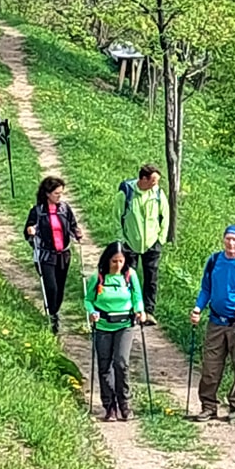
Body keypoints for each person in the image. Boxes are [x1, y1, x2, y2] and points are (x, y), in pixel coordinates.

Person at [190, 224, 235, 420]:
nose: (231, 243)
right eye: (228, 239)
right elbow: (206, 288)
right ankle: (208, 406)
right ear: (223, 240)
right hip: (216, 321)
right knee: (210, 366)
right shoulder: (214, 261)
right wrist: (198, 308)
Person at [84, 241, 143, 421]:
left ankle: (124, 403)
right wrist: (92, 312)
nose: (118, 265)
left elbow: (137, 297)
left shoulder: (130, 275)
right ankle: (109, 406)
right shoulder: (98, 277)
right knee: (104, 365)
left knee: (121, 362)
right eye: (114, 261)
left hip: (125, 324)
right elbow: (88, 300)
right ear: (107, 260)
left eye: (121, 261)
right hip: (103, 325)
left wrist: (139, 310)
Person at [24, 176, 78, 333]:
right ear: (47, 193)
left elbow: (73, 225)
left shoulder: (65, 209)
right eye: (56, 193)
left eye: (61, 193)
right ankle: (52, 316)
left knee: (60, 288)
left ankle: (54, 312)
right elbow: (28, 229)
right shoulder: (38, 211)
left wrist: (77, 232)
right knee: (51, 287)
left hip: (63, 255)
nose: (59, 197)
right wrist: (30, 231)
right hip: (45, 256)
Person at [118, 164, 167, 324]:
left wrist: (161, 239)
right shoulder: (127, 192)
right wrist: (122, 239)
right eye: (153, 180)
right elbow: (116, 217)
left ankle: (149, 311)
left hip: (152, 243)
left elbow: (165, 216)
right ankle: (130, 310)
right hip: (130, 243)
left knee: (151, 278)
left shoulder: (158, 193)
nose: (156, 184)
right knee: (128, 277)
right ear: (143, 179)